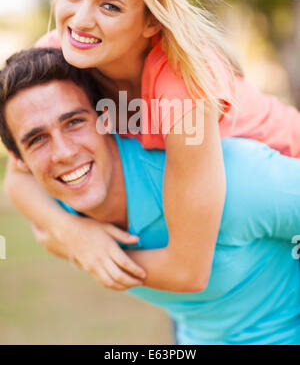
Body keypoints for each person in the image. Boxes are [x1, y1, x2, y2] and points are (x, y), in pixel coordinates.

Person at [5, 0, 300, 291]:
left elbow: (188, 271)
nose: (79, 20)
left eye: (109, 6)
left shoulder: (183, 92)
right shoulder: (63, 54)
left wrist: (76, 251)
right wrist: (73, 233)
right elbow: (18, 175)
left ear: (150, 21)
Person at [1, 47, 300, 345]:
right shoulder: (55, 206)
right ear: (20, 160)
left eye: (75, 122)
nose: (64, 153)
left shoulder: (234, 179)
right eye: (37, 140)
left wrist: (87, 252)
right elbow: (19, 194)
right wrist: (73, 236)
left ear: (108, 119)